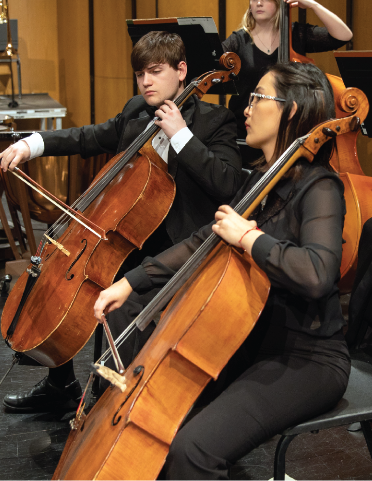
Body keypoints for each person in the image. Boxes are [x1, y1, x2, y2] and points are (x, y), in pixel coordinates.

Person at [94, 62, 350, 479]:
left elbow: (317, 272)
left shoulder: (320, 187)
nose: (245, 109)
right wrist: (129, 282)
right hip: (246, 341)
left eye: (257, 99)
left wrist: (249, 239)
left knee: (192, 451)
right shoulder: (260, 180)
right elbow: (202, 241)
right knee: (160, 417)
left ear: (291, 110)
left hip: (307, 358)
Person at [0, 31, 243, 413]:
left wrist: (182, 136)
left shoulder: (215, 121)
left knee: (104, 291)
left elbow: (227, 183)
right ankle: (61, 384)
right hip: (123, 234)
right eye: (140, 73)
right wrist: (31, 144)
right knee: (63, 279)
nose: (145, 82)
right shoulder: (135, 110)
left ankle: (108, 395)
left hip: (176, 245)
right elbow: (88, 137)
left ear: (181, 71)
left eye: (155, 71)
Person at [222, 0, 352, 165]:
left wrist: (313, 5)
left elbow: (343, 36)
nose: (258, 3)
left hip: (289, 131)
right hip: (246, 131)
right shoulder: (238, 40)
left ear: (280, 1)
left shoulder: (296, 34)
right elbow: (211, 66)